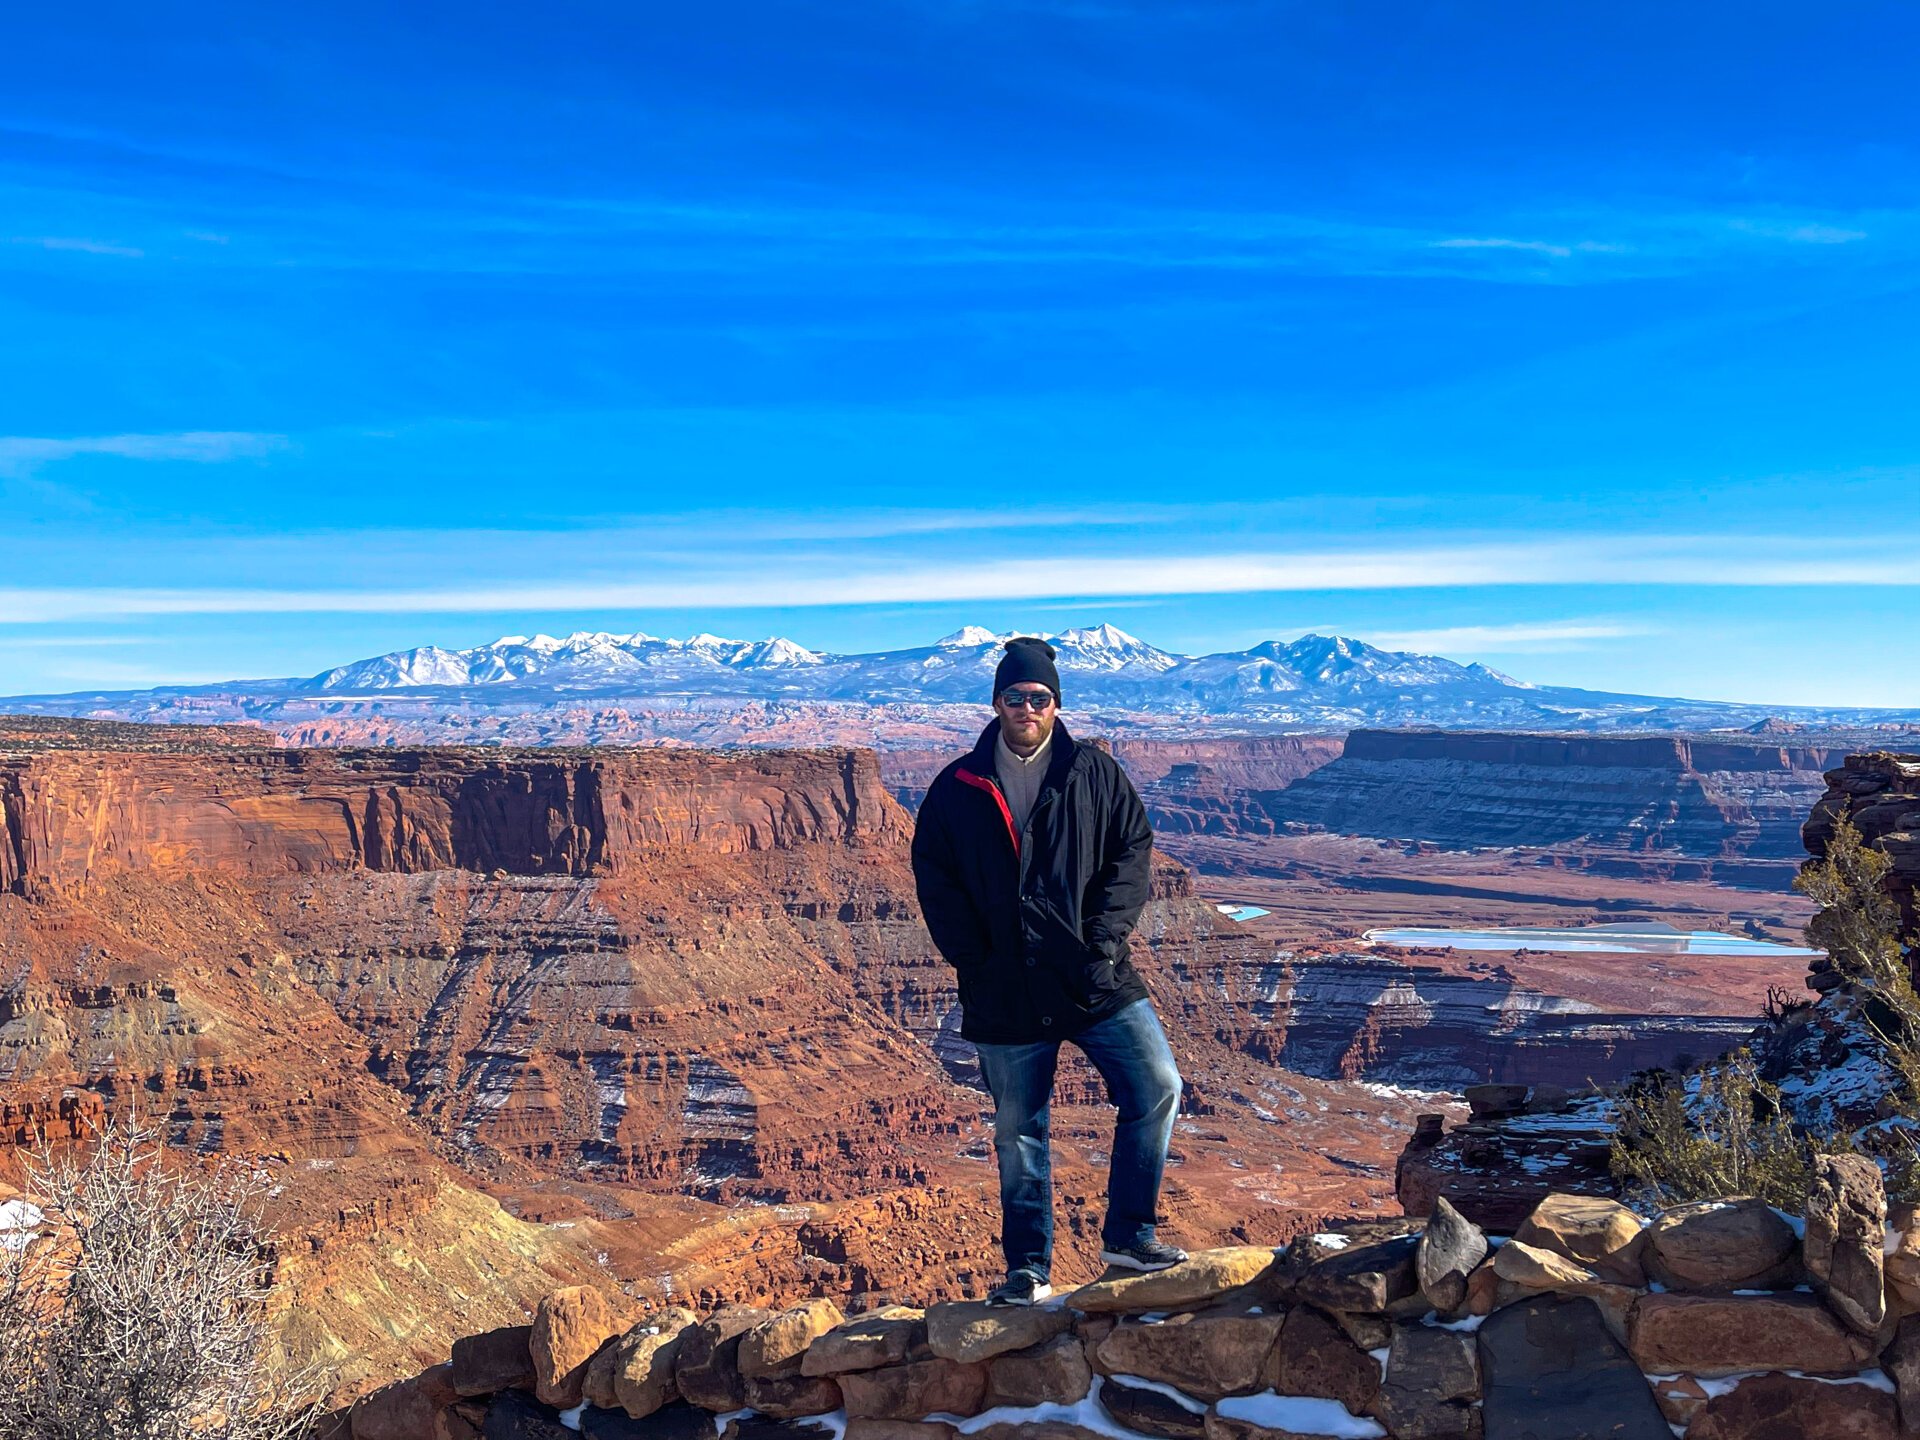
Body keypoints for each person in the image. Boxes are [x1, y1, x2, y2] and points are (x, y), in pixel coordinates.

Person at [911, 635, 1186, 1306]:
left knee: (1157, 1085)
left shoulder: (1094, 772)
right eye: (1015, 696)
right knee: (1019, 1134)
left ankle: (1130, 1236)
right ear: (996, 703)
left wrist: (1105, 942)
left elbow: (1132, 849)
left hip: (1091, 977)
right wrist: (976, 961)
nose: (1027, 708)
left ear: (1056, 705)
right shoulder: (956, 787)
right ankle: (1028, 1271)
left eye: (1039, 697)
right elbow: (935, 880)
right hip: (1004, 991)